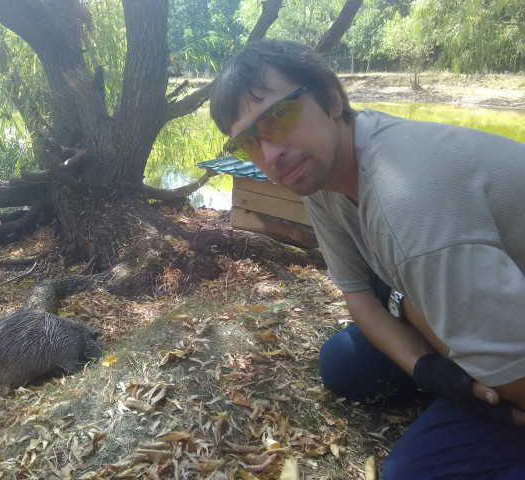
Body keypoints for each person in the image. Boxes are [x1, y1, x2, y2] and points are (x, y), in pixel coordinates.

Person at [209, 39, 525, 479]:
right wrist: (429, 369)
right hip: (471, 298)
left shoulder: (409, 205)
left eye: (279, 117)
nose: (271, 155)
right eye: (248, 143)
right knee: (341, 366)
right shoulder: (321, 173)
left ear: (333, 100)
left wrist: (493, 391)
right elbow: (357, 292)